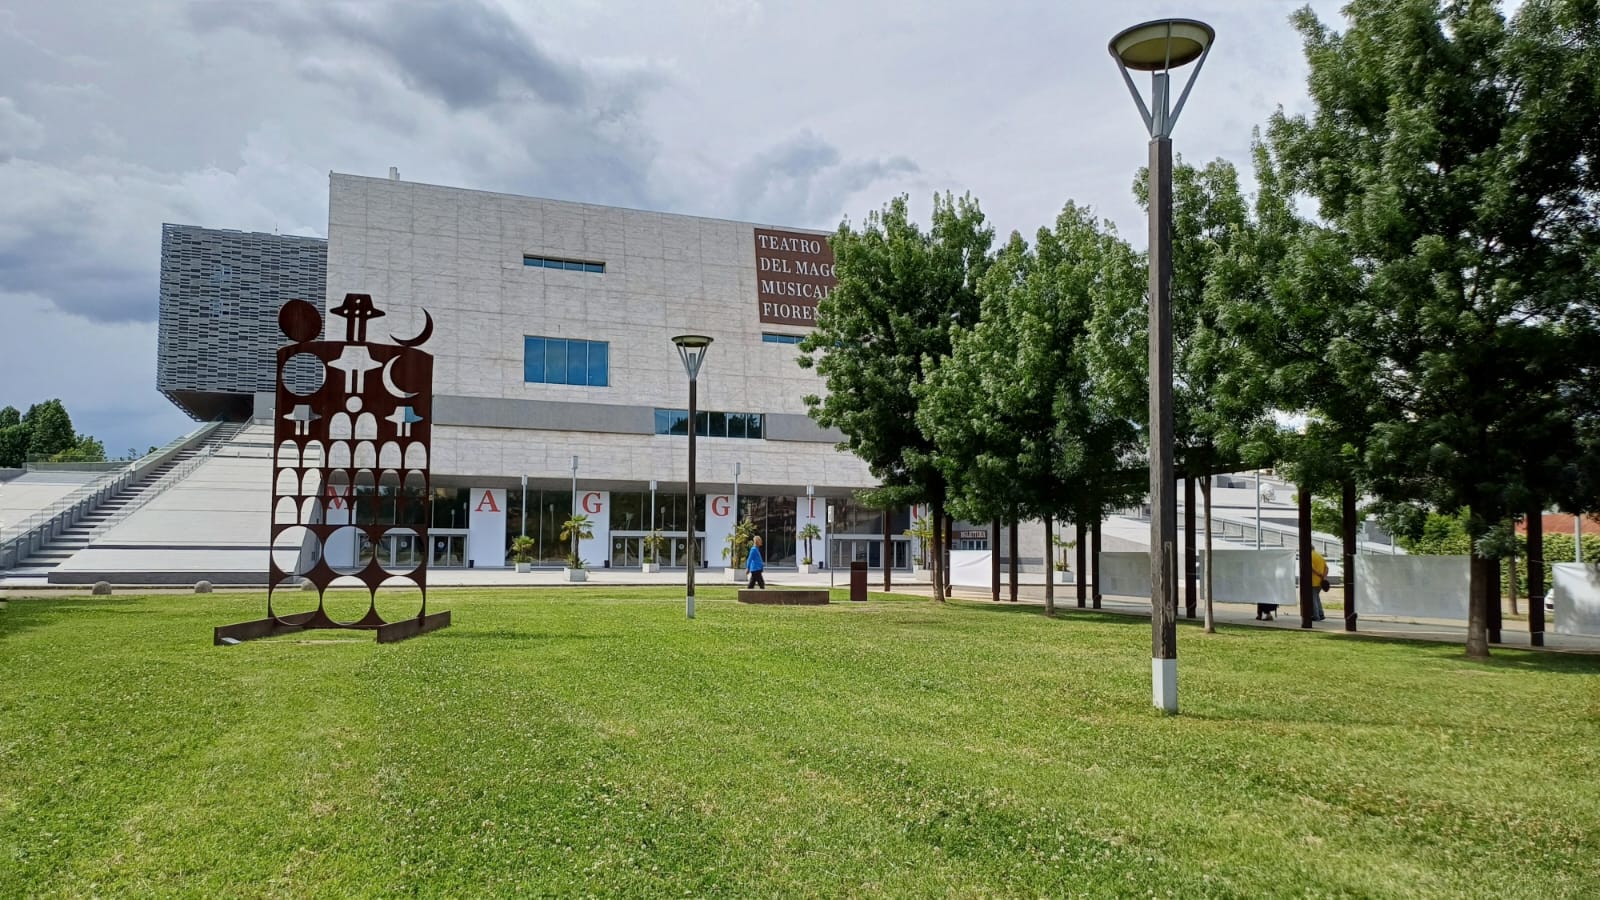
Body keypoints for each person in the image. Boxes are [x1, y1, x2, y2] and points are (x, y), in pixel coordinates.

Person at [1310, 548, 1329, 621]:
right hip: (1320, 582)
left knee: (1313, 599)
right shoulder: (1319, 555)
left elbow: (1311, 568)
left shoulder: (1309, 555)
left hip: (1313, 581)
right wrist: (1323, 576)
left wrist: (1319, 574)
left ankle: (1316, 616)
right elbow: (1327, 568)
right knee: (1317, 598)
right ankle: (1321, 614)